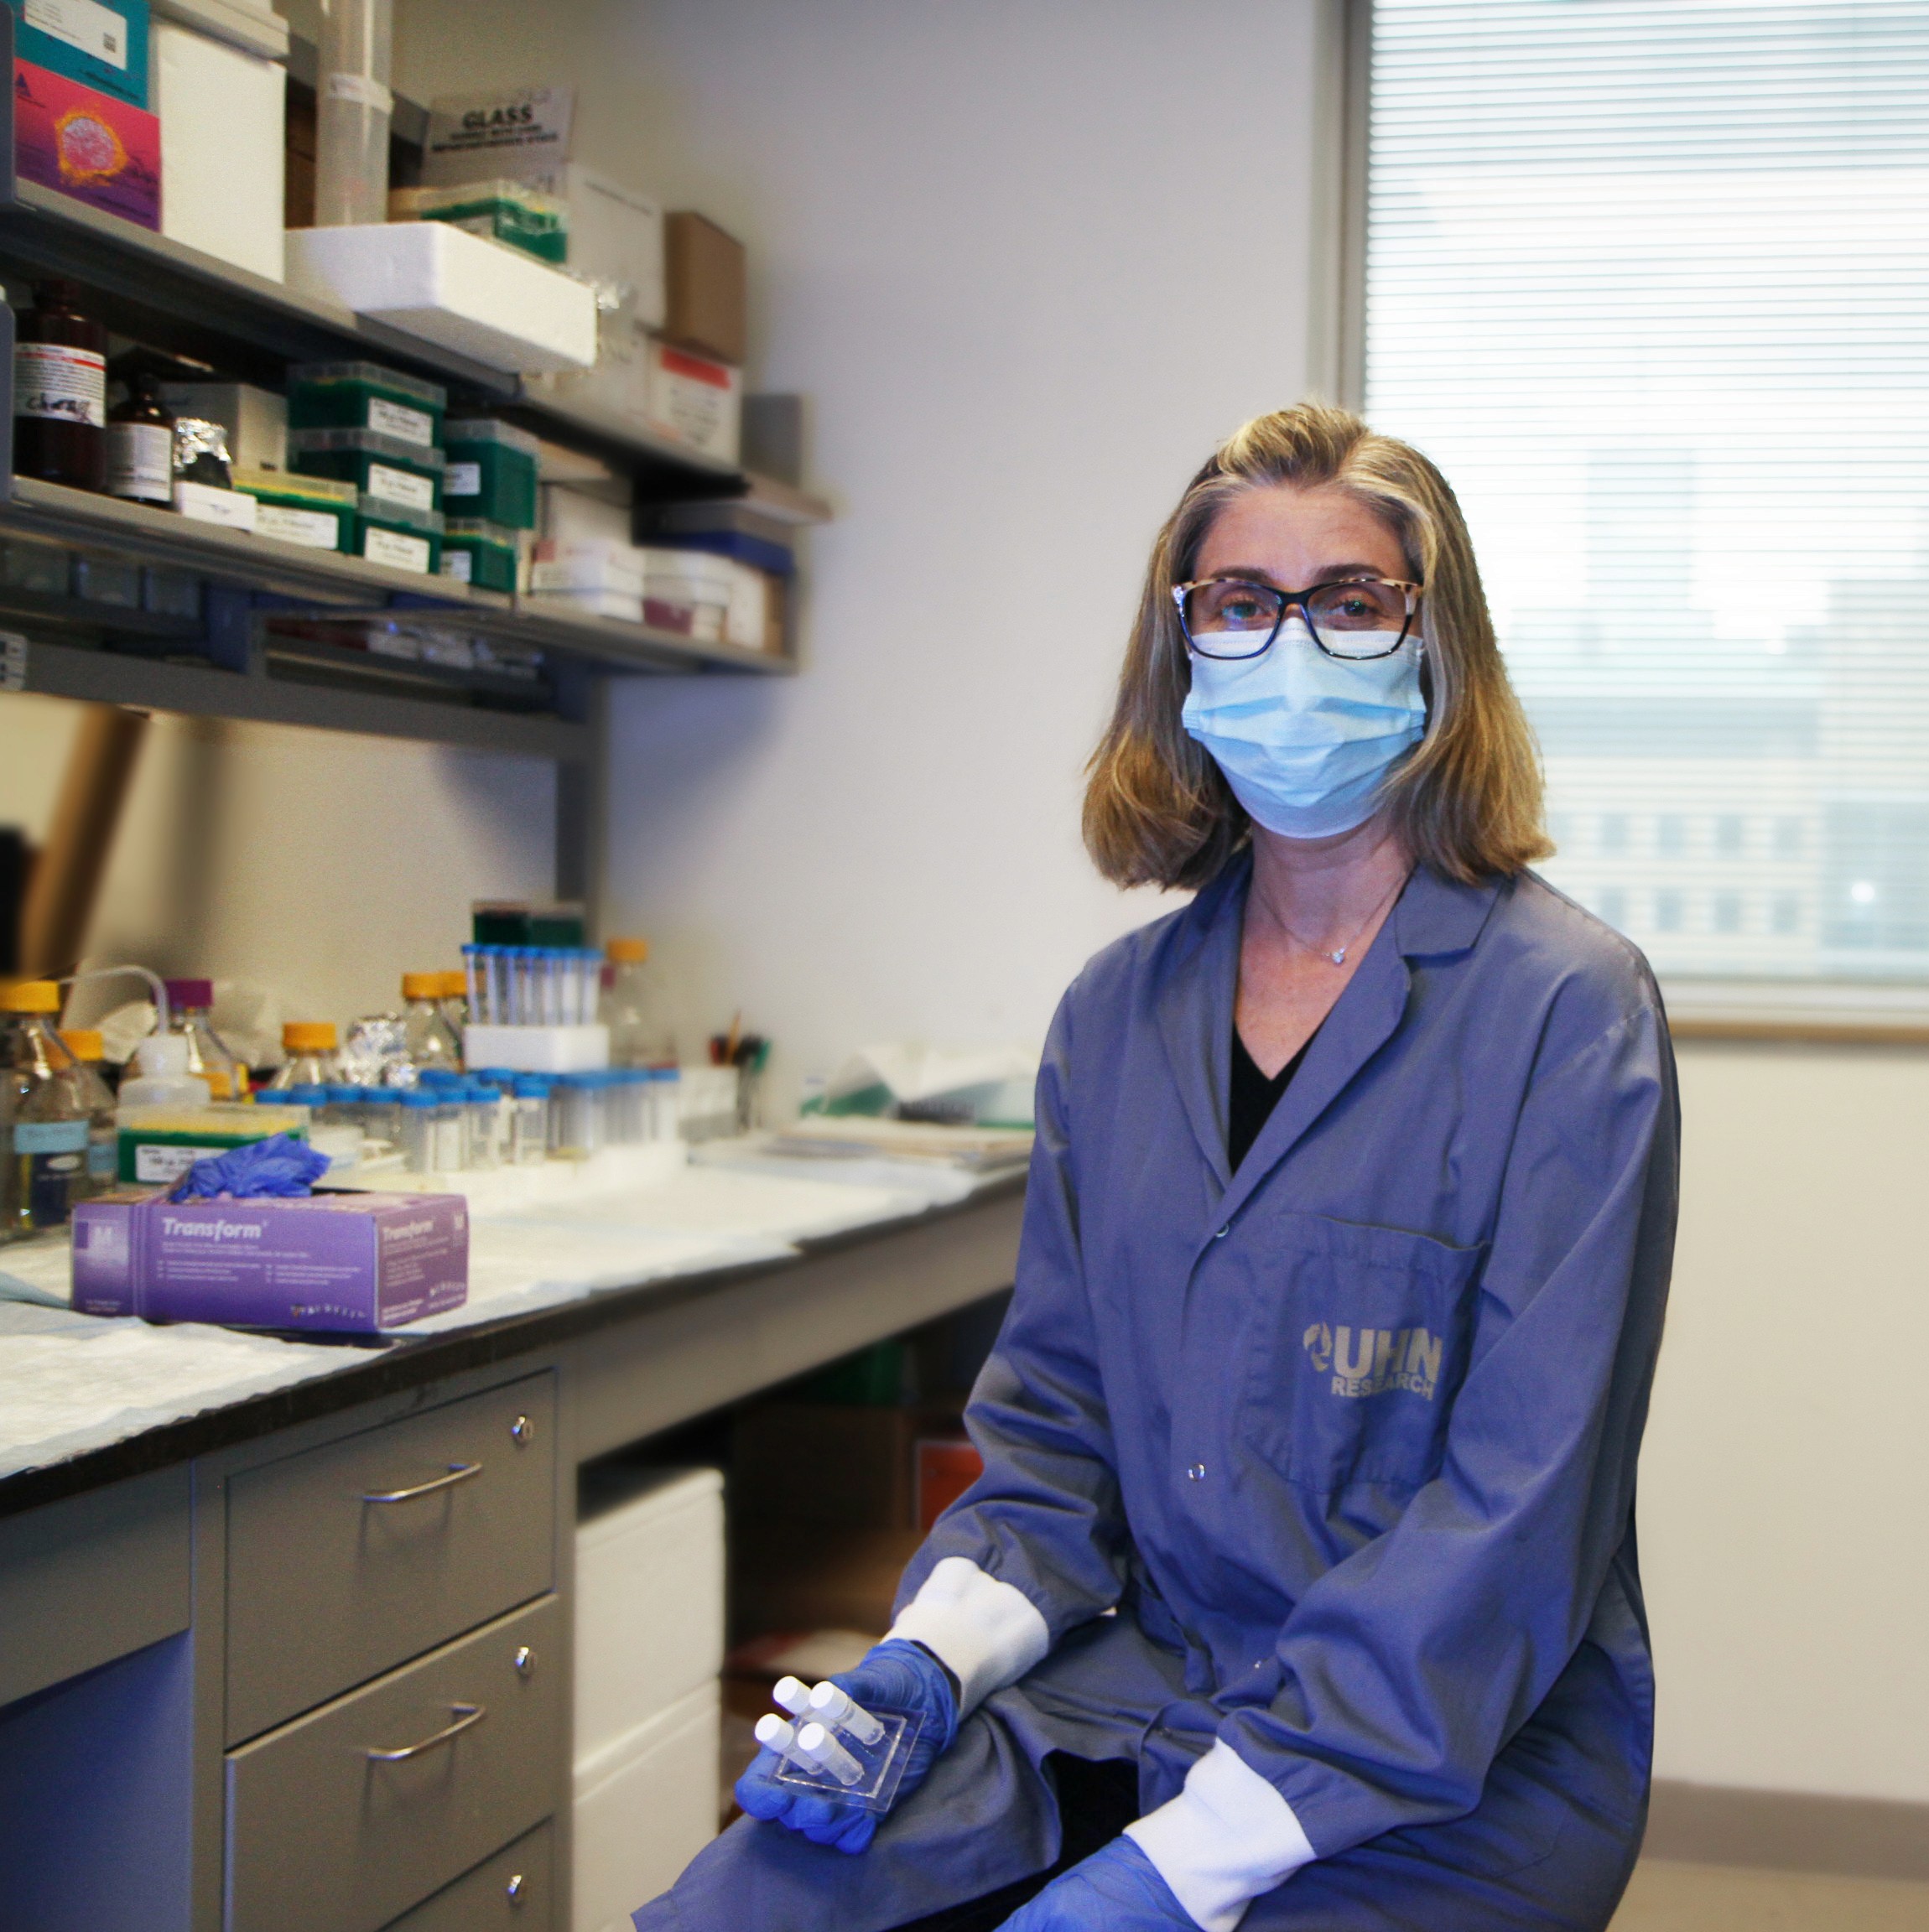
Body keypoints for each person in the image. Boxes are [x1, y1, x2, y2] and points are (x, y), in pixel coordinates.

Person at [639, 402, 1679, 1932]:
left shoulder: (1566, 1013)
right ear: (1184, 652)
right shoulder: (1118, 1018)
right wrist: (930, 1661)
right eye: (1243, 606)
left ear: (1435, 650)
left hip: (1452, 1746)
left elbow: (1511, 1524)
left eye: (1353, 602)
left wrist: (1181, 1872)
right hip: (1143, 1686)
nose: (1294, 648)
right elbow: (1054, 1436)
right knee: (740, 1911)